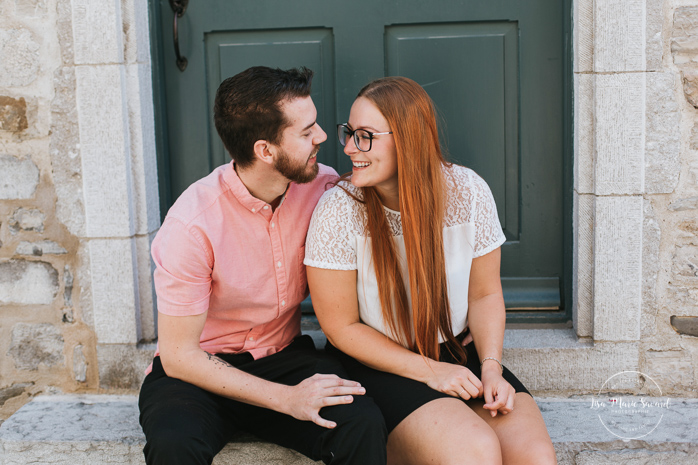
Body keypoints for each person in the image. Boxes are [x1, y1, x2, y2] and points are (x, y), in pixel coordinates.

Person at [138, 66, 387, 465]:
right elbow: (179, 355)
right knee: (174, 445)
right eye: (306, 133)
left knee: (361, 423)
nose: (323, 137)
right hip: (201, 371)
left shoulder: (324, 189)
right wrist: (287, 400)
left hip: (286, 356)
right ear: (265, 151)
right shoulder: (191, 223)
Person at [305, 76, 557, 465]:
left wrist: (491, 367)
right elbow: (340, 328)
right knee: (474, 453)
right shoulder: (338, 211)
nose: (350, 148)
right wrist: (428, 371)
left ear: (408, 139)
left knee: (533, 458)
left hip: (458, 352)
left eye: (366, 136)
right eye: (350, 133)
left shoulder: (468, 191)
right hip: (380, 364)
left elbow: (484, 294)